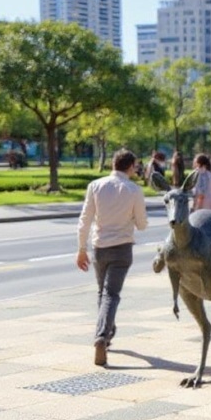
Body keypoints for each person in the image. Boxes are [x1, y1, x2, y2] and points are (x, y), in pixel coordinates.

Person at [76, 148, 148, 368]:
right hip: (122, 248)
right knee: (111, 294)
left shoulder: (95, 186)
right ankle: (102, 336)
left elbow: (85, 220)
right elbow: (142, 224)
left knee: (103, 292)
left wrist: (81, 249)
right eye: (135, 166)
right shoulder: (133, 190)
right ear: (130, 167)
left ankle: (107, 332)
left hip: (99, 247)